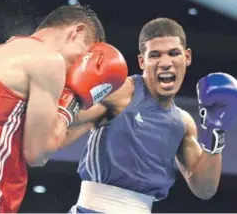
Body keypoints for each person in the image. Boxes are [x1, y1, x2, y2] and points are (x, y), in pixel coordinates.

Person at [0, 5, 128, 213]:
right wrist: (72, 101)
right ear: (76, 32)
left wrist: (91, 118)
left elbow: (20, 133)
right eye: (82, 59)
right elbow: (37, 154)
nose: (76, 71)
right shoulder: (48, 61)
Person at [61, 18, 237, 213]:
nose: (165, 63)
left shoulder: (182, 123)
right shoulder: (121, 92)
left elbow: (205, 189)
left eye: (173, 53)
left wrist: (216, 130)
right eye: (155, 55)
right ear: (142, 61)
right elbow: (61, 127)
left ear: (187, 57)